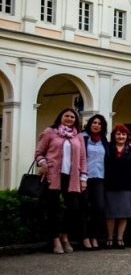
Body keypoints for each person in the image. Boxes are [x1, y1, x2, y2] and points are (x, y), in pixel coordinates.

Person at [35, 108, 87, 254]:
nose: (69, 119)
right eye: (67, 116)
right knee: (53, 209)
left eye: (72, 117)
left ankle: (65, 237)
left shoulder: (78, 136)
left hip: (72, 177)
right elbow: (39, 153)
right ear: (60, 117)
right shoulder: (50, 132)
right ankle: (55, 240)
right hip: (53, 176)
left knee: (73, 209)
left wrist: (84, 177)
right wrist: (43, 163)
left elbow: (83, 158)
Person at [103, 124, 131, 249]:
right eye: (118, 134)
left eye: (123, 134)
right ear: (114, 136)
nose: (121, 136)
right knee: (111, 214)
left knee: (124, 214)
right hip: (111, 186)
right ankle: (109, 237)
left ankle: (120, 238)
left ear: (127, 136)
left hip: (127, 187)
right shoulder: (108, 148)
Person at [80, 114, 110, 250]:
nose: (96, 125)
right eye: (94, 122)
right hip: (84, 178)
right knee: (84, 208)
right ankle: (84, 237)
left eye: (99, 123)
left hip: (99, 178)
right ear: (90, 124)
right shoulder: (82, 138)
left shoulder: (103, 140)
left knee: (99, 208)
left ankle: (95, 237)